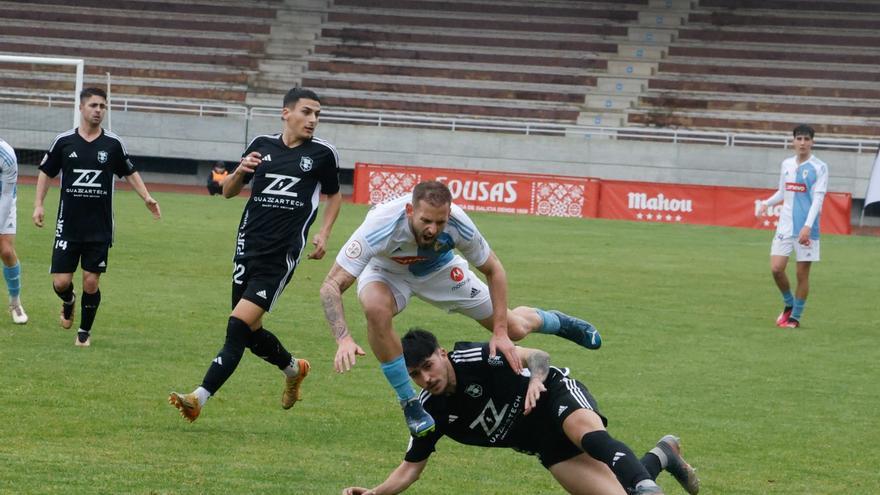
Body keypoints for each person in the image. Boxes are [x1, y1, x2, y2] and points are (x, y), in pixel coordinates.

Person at [320, 180, 602, 437]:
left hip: (439, 269)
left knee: (515, 329)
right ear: (409, 210)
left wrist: (501, 333)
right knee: (375, 309)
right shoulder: (379, 226)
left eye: (440, 222)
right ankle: (410, 404)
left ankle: (557, 322)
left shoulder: (459, 224)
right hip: (386, 271)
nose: (432, 228)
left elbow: (495, 269)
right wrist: (343, 338)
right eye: (425, 220)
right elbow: (331, 286)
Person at [341, 329, 700, 495]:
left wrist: (535, 381)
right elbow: (410, 469)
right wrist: (374, 494)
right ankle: (662, 456)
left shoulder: (474, 356)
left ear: (443, 353)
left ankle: (646, 485)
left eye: (428, 365)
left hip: (556, 396)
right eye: (416, 374)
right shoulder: (429, 412)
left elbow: (537, 356)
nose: (426, 377)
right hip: (549, 448)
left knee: (590, 436)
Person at [169, 87, 342, 422]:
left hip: (280, 256)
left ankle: (198, 397)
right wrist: (240, 171)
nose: (313, 120)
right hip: (246, 247)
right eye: (307, 112)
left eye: (317, 114)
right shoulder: (261, 146)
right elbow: (228, 193)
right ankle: (294, 369)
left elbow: (334, 196)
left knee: (236, 326)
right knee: (250, 333)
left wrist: (324, 232)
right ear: (286, 113)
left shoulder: (322, 154)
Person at [32, 87, 161, 346]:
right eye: (93, 105)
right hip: (67, 225)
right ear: (81, 108)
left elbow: (130, 171)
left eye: (102, 106)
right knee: (60, 282)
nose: (98, 110)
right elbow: (46, 172)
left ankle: (84, 333)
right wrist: (38, 204)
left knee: (91, 281)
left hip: (99, 227)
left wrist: (146, 196)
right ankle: (68, 301)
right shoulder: (64, 141)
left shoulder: (112, 144)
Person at [758, 125, 828, 328]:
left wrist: (807, 226)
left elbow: (818, 200)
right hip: (785, 226)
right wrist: (766, 203)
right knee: (776, 268)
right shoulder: (787, 164)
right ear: (793, 141)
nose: (803, 143)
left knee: (801, 274)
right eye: (799, 138)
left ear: (812, 142)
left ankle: (795, 318)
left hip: (807, 228)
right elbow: (782, 192)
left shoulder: (819, 167)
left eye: (807, 139)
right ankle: (789, 304)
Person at [0, 138, 27, 324]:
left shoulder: (6, 155)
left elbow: (7, 195)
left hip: (3, 199)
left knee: (6, 251)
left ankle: (15, 302)